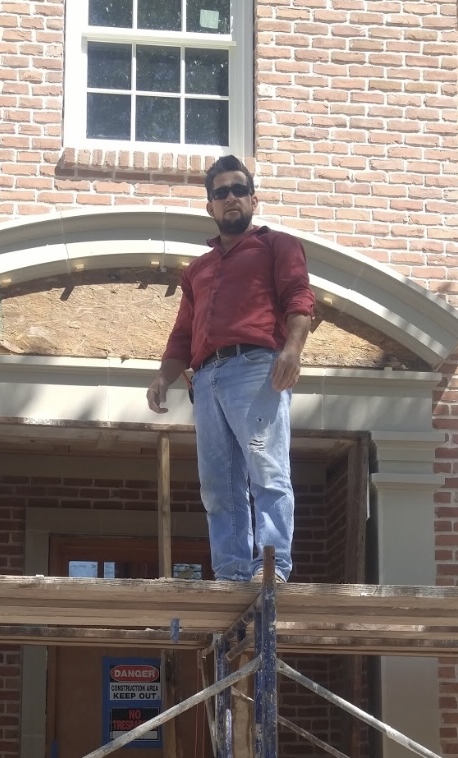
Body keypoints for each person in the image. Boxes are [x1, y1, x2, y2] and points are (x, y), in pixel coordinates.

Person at [146, 156, 315, 583]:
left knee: (267, 470)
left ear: (254, 200)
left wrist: (292, 350)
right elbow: (183, 333)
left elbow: (299, 298)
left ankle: (272, 566)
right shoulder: (197, 270)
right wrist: (164, 377)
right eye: (221, 193)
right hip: (206, 378)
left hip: (257, 368)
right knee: (217, 485)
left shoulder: (277, 245)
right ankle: (232, 572)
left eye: (239, 190)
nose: (231, 198)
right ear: (210, 207)